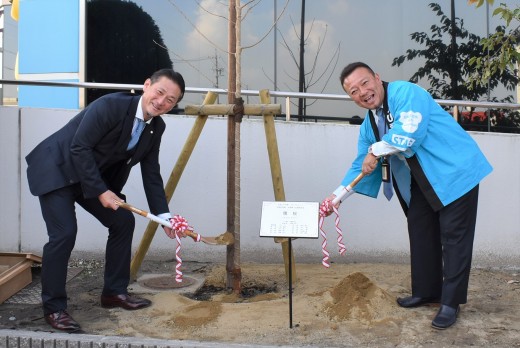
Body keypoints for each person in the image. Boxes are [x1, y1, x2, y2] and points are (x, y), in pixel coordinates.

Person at [322, 62, 492, 330]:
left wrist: (374, 152)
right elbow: (360, 165)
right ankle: (427, 291)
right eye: (354, 91)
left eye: (365, 83)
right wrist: (336, 198)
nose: (362, 92)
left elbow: (408, 133)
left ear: (377, 78)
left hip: (454, 171)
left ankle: (450, 302)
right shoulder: (370, 123)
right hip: (423, 180)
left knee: (454, 238)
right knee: (420, 230)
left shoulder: (405, 93)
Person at [25, 68, 186, 332]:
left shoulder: (156, 127)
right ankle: (54, 309)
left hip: (89, 179)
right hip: (58, 170)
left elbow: (151, 173)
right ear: (147, 85)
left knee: (123, 222)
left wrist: (164, 217)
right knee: (64, 234)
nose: (161, 101)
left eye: (170, 100)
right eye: (160, 92)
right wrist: (101, 191)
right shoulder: (111, 105)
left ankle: (114, 293)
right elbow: (79, 147)